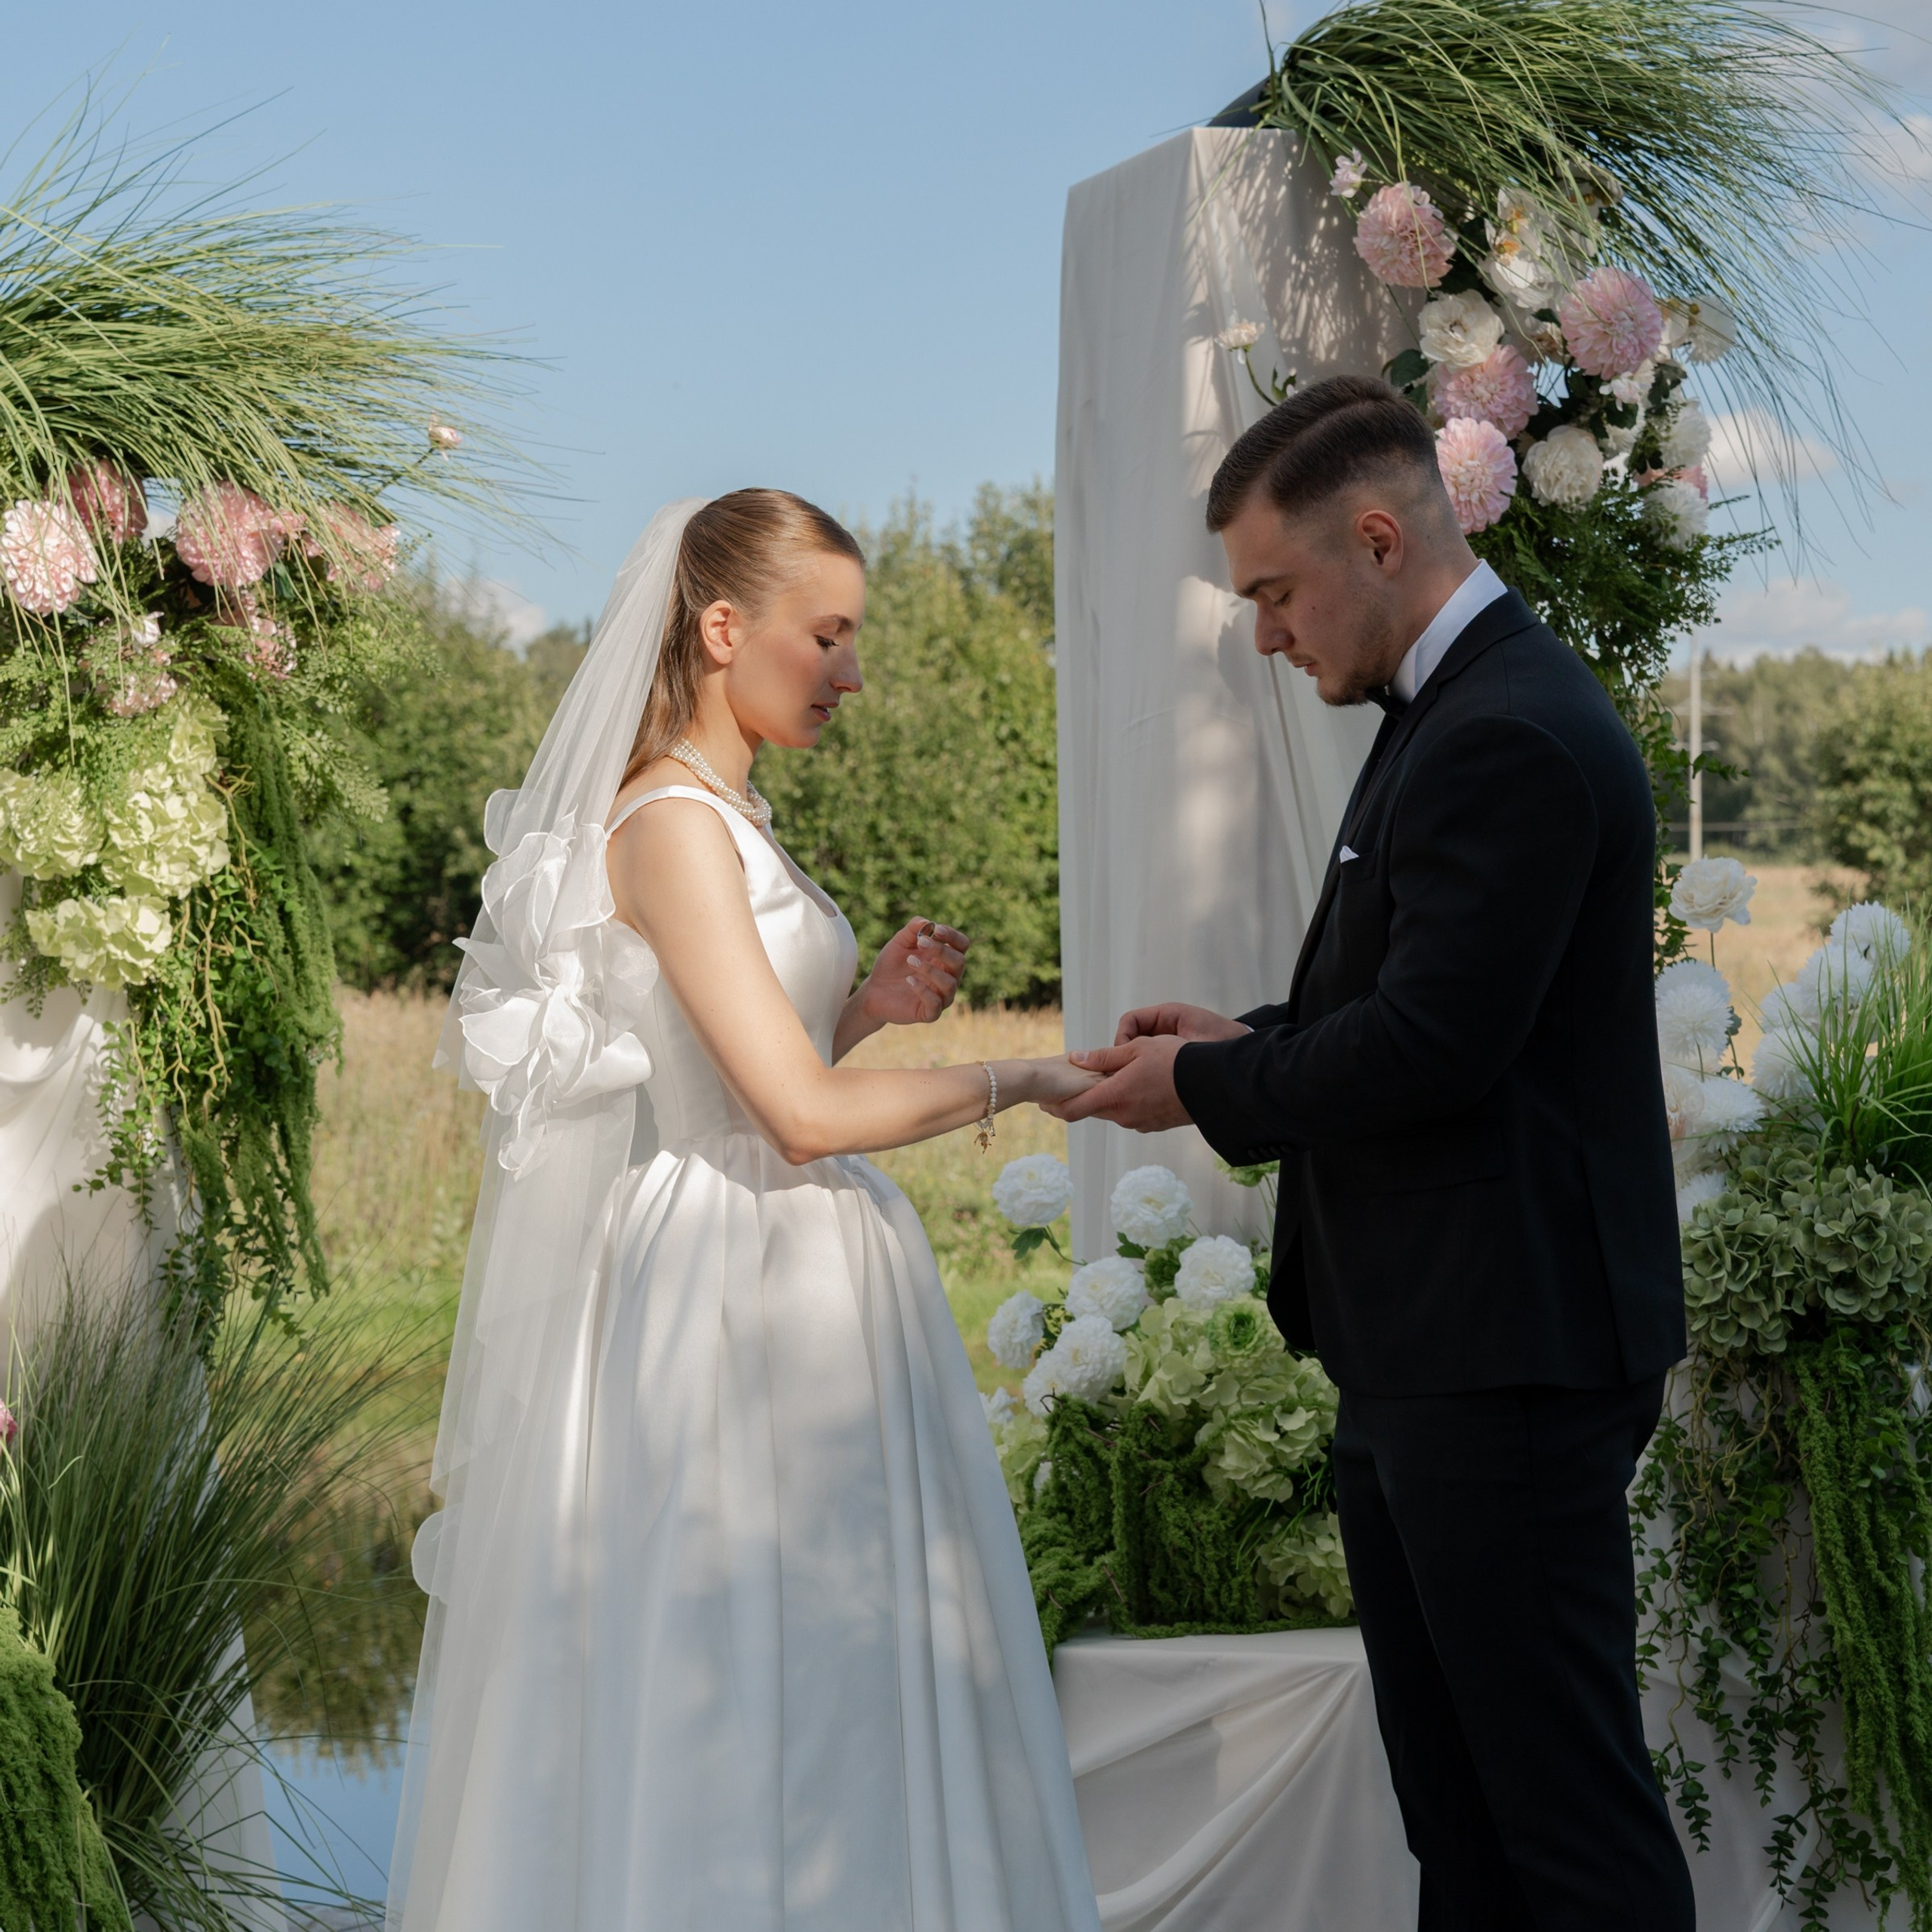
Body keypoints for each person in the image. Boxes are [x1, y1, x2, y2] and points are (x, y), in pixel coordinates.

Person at [388, 491, 1103, 1932]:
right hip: (723, 1285)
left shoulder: (733, 816)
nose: (853, 672)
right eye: (827, 636)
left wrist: (864, 1009)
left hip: (799, 1267)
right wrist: (1023, 1076)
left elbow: (754, 1068)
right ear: (723, 628)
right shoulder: (668, 823)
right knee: (733, 1645)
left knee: (838, 1660)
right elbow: (790, 1117)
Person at [1049, 377, 1695, 1930]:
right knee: (1462, 1819)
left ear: (1381, 538)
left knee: (1561, 1826)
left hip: (1504, 1353)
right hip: (1438, 1345)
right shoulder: (1457, 711)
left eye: (1275, 592)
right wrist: (1248, 1036)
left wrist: (1212, 1083)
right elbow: (1429, 1002)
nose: (1267, 635)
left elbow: (1432, 1051)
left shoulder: (1508, 730)